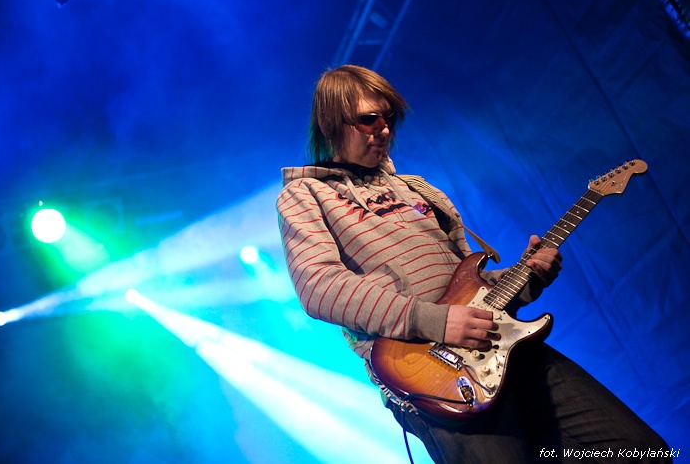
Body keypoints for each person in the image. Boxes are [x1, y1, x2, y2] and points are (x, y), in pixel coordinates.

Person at [276, 65, 671, 463]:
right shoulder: (305, 195)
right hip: (433, 373)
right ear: (329, 123)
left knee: (640, 450)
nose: (383, 128)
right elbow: (320, 286)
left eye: (389, 117)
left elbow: (470, 282)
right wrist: (434, 320)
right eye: (369, 119)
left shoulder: (417, 188)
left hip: (503, 347)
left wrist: (525, 278)